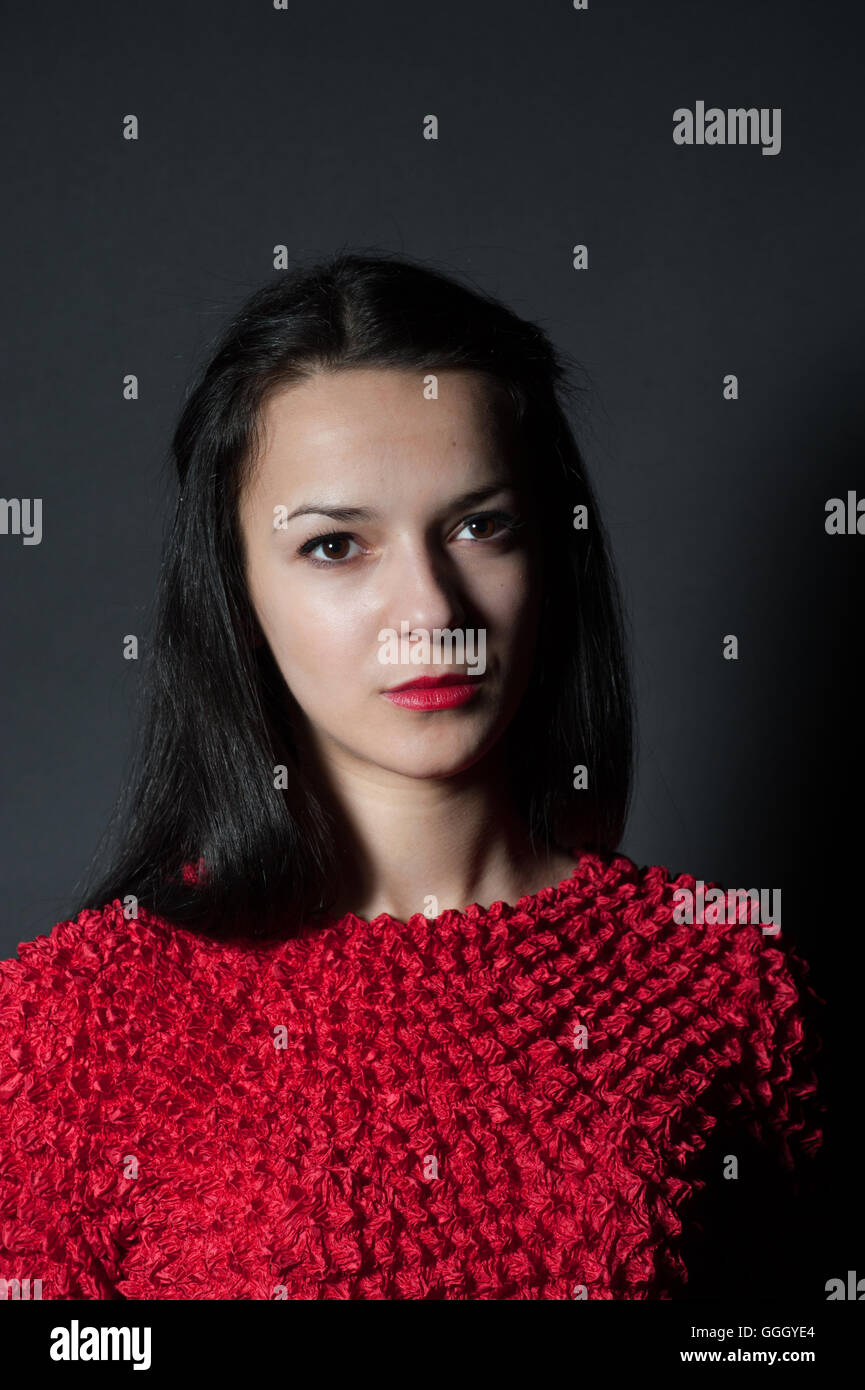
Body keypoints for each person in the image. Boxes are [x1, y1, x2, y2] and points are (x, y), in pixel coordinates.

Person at [0, 251, 822, 1299]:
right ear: (235, 594)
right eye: (337, 545)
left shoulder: (725, 981)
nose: (432, 613)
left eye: (480, 527)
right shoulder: (73, 1028)